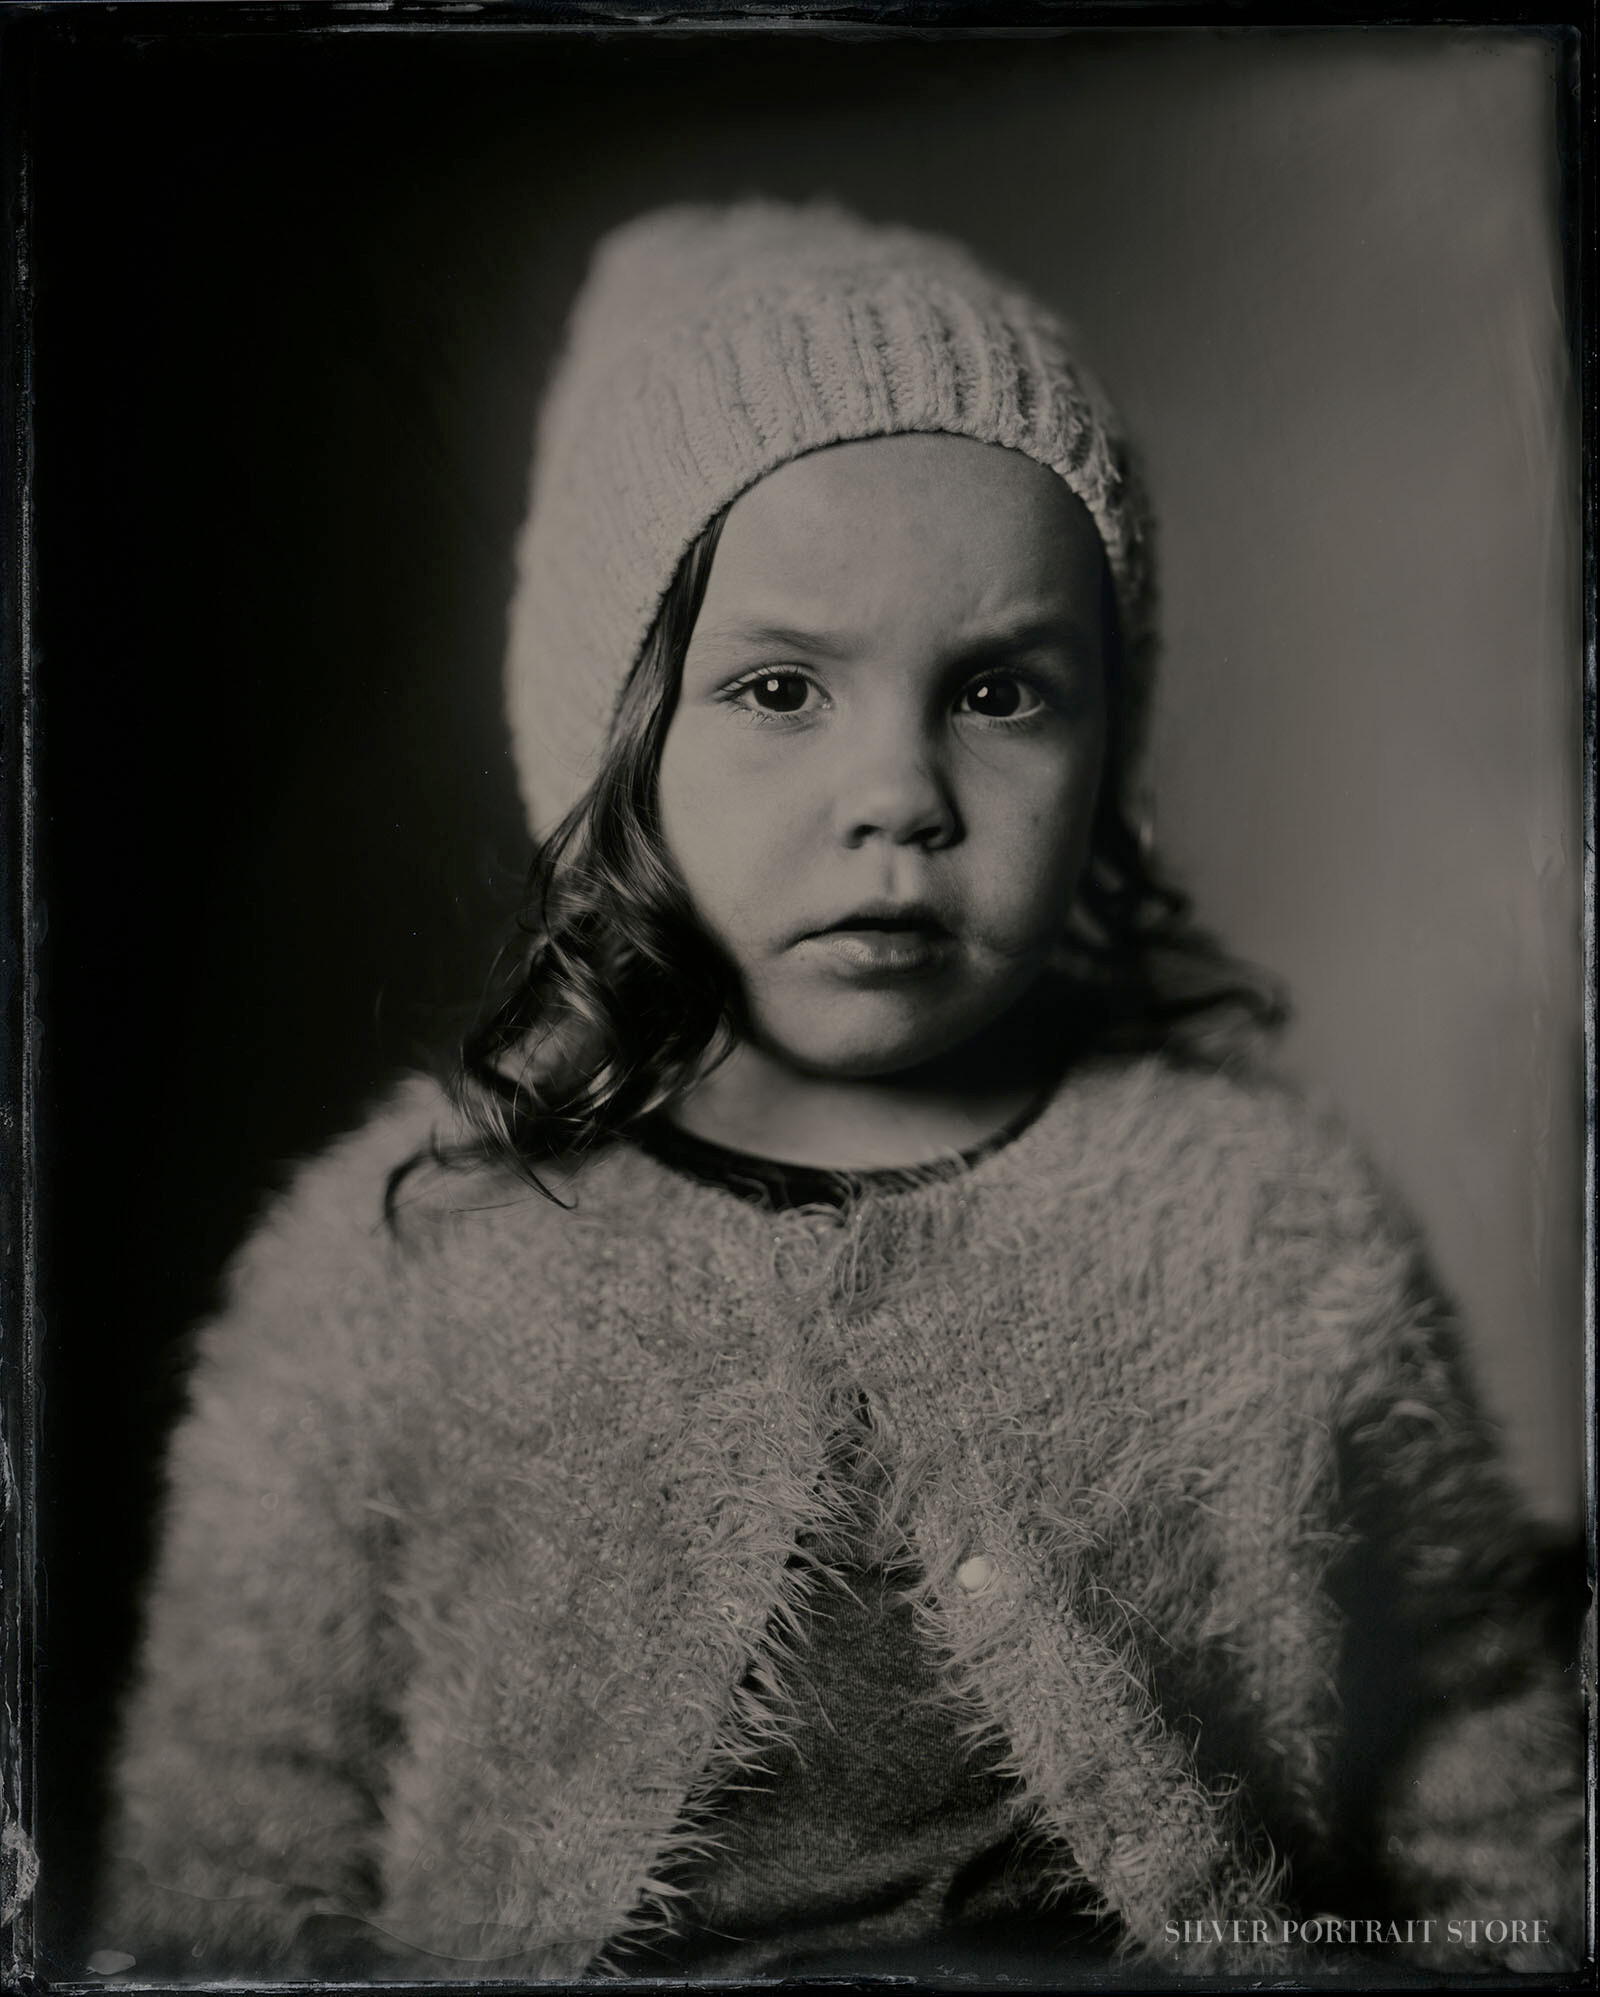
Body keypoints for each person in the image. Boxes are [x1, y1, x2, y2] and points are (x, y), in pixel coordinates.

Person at [94, 203, 1583, 1983]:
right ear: (619, 737)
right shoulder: (393, 1261)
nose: (903, 794)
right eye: (783, 687)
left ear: (1113, 742)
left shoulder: (1268, 1219)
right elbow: (220, 1877)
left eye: (1002, 690)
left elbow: (1490, 1795)